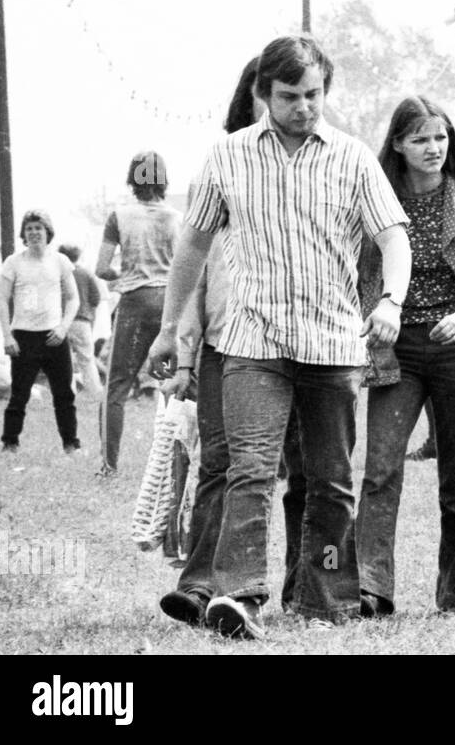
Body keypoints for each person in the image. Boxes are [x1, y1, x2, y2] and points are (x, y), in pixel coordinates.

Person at [147, 35, 412, 638]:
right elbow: (192, 244)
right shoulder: (228, 156)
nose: (304, 107)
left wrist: (391, 300)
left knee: (331, 479)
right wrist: (169, 329)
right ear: (263, 93)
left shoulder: (351, 158)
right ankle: (239, 598)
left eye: (314, 94)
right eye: (290, 95)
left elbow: (393, 236)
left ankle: (324, 599)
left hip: (334, 346)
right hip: (252, 343)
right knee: (251, 471)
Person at [156, 56, 310, 627]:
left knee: (300, 468)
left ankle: (303, 583)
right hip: (226, 339)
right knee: (220, 464)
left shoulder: (312, 163)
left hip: (297, 342)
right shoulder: (221, 166)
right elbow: (194, 258)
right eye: (263, 93)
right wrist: (184, 334)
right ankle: (199, 586)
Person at [354, 96, 455, 615]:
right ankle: (371, 589)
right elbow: (359, 273)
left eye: (439, 137)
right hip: (394, 349)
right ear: (398, 143)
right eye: (419, 138)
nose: (432, 148)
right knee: (380, 470)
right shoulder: (376, 201)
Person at [95, 151, 181, 479]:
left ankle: (109, 466)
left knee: (117, 386)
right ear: (163, 178)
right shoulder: (176, 217)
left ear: (133, 177)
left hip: (134, 302)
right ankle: (171, 466)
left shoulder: (119, 216)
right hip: (169, 305)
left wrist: (126, 274)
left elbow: (101, 268)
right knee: (170, 383)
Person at [0, 210, 80, 453]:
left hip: (54, 336)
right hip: (24, 337)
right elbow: (2, 300)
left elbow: (73, 299)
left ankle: (70, 444)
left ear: (47, 232)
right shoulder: (13, 262)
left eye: (38, 228)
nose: (34, 233)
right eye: (29, 229)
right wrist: (7, 336)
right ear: (24, 234)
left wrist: (63, 328)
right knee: (19, 395)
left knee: (64, 394)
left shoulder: (60, 261)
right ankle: (10, 442)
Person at [58, 244, 103, 396]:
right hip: (82, 321)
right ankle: (94, 390)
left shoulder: (59, 274)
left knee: (64, 359)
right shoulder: (86, 273)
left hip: (62, 320)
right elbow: (96, 298)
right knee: (87, 358)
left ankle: (67, 390)